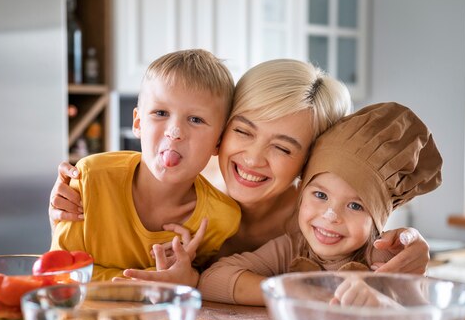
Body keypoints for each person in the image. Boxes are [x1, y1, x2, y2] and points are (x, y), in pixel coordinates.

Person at [49, 59, 432, 284]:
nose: (252, 158)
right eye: (242, 131)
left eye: (282, 147)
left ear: (311, 159)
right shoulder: (184, 182)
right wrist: (67, 205)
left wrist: (409, 247)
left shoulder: (314, 222)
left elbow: (378, 256)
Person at [198, 102, 443, 305]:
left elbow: (421, 318)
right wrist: (299, 292)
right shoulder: (292, 247)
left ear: (377, 219)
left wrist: (383, 304)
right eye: (321, 195)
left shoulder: (382, 254)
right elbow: (212, 281)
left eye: (356, 206)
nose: (330, 215)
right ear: (302, 191)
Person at [51, 49, 241, 284]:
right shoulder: (91, 178)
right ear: (138, 122)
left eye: (195, 119)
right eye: (160, 113)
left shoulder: (222, 220)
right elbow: (59, 273)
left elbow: (207, 290)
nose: (175, 132)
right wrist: (149, 282)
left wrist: (190, 277)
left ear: (219, 141)